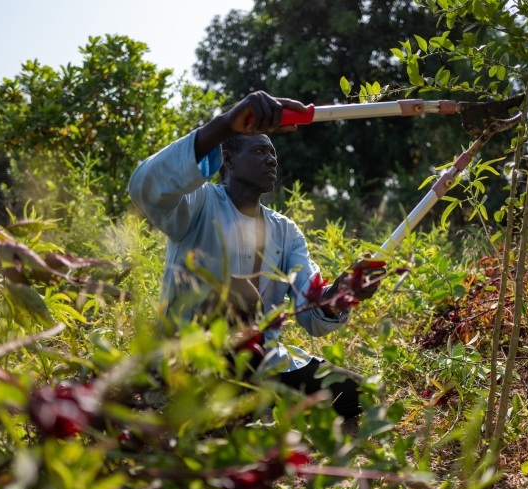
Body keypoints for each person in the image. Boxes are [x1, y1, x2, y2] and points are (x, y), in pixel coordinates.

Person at [128, 91, 384, 419]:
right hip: (187, 361)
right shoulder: (197, 204)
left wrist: (344, 293)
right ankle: (221, 406)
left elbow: (312, 314)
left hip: (263, 361)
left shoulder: (286, 232)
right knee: (238, 293)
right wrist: (223, 125)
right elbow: (144, 187)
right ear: (228, 160)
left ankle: (252, 405)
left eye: (274, 153)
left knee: (359, 393)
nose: (272, 159)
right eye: (260, 150)